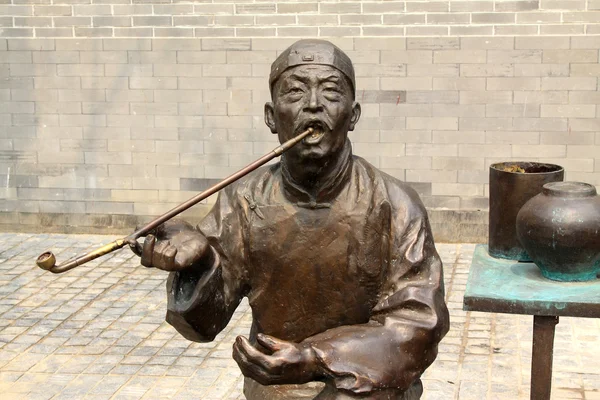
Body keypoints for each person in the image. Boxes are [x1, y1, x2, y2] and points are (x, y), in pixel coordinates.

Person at [133, 39, 449, 400]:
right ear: (271, 116)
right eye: (295, 92)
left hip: (368, 384)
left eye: (331, 92)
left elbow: (418, 324)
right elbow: (204, 325)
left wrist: (316, 357)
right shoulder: (243, 200)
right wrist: (200, 264)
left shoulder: (395, 204)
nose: (313, 105)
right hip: (276, 387)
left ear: (354, 114)